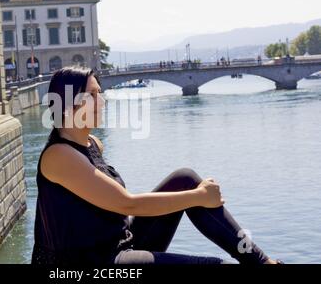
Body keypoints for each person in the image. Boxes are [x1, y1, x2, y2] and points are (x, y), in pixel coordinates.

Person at [31, 66, 283, 265]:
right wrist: (199, 197)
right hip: (90, 265)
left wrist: (196, 195)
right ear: (70, 102)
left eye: (101, 94)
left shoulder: (93, 144)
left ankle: (261, 261)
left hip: (119, 244)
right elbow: (127, 203)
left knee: (184, 178)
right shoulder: (59, 156)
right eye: (93, 95)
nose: (103, 101)